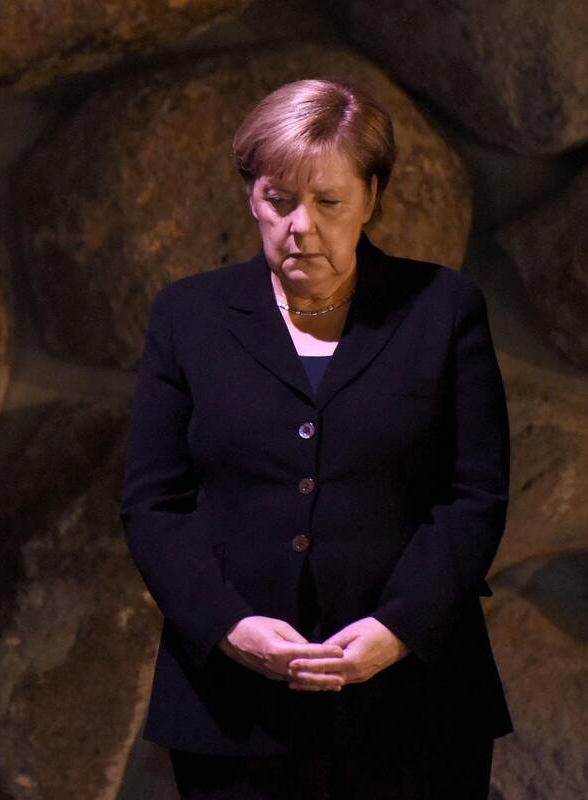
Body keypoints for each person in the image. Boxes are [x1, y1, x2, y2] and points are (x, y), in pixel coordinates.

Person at [119, 78, 512, 799]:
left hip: (416, 700)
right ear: (251, 197)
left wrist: (398, 629)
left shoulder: (443, 308)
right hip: (235, 706)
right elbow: (154, 504)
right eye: (279, 199)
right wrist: (230, 626)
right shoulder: (189, 316)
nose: (301, 225)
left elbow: (475, 497)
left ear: (371, 198)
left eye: (328, 201)